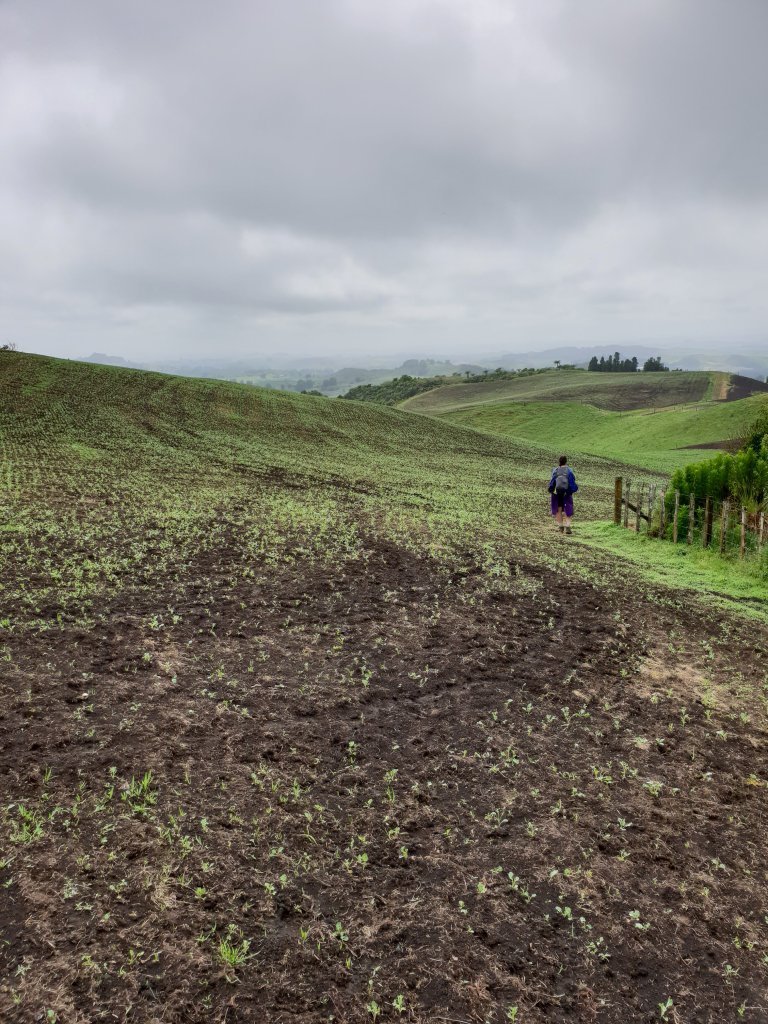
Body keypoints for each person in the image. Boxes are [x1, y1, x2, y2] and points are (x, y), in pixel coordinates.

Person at [548, 455, 578, 534]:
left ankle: (561, 527)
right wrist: (572, 490)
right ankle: (567, 527)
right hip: (566, 493)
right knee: (568, 509)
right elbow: (572, 482)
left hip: (557, 493)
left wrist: (551, 489)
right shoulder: (569, 471)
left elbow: (552, 481)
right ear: (566, 461)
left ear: (559, 461)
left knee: (558, 509)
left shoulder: (555, 470)